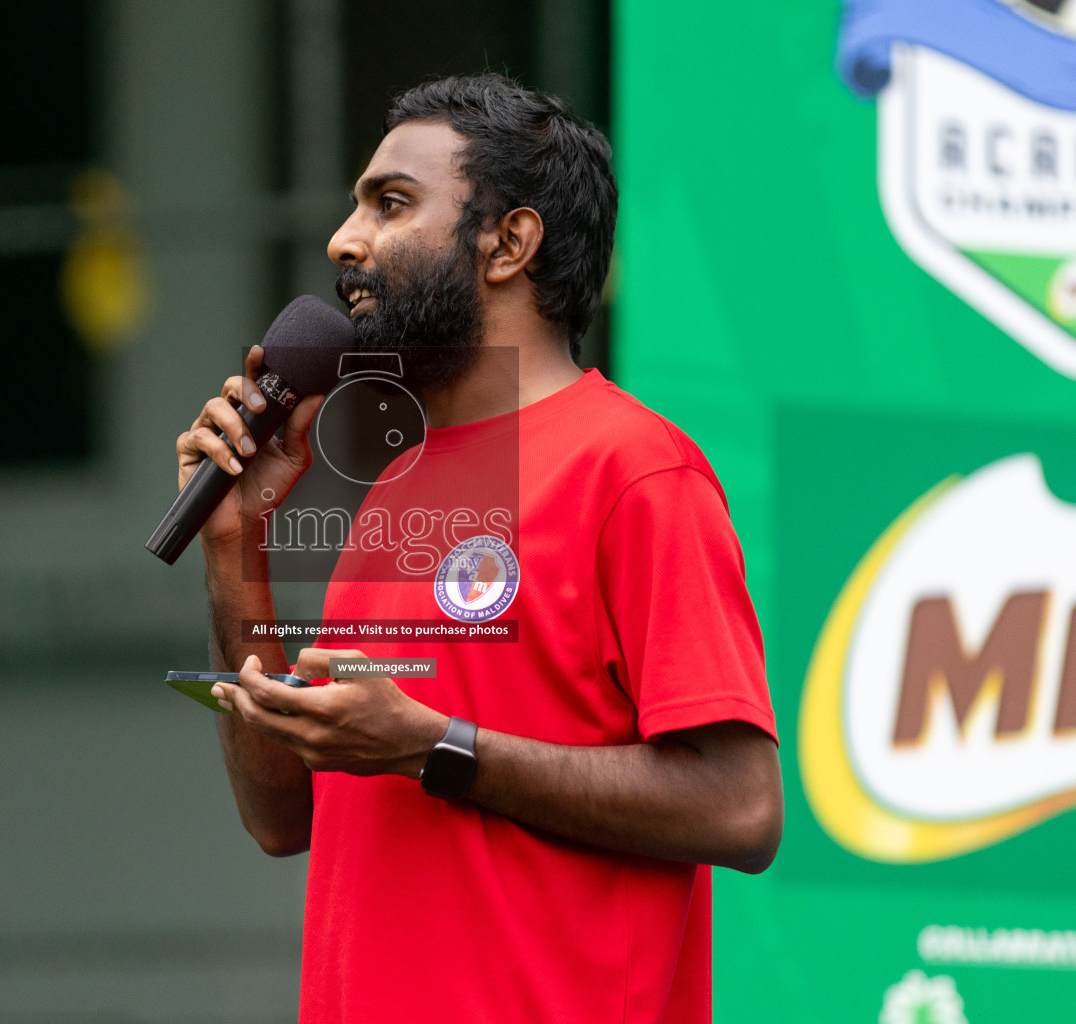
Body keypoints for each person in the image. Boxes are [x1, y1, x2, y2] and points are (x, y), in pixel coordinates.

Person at [174, 74, 782, 1024]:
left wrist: (436, 748)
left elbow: (743, 809)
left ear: (511, 243)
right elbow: (281, 819)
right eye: (356, 204)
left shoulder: (635, 470)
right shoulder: (397, 485)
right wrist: (234, 547)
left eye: (392, 203)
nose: (345, 240)